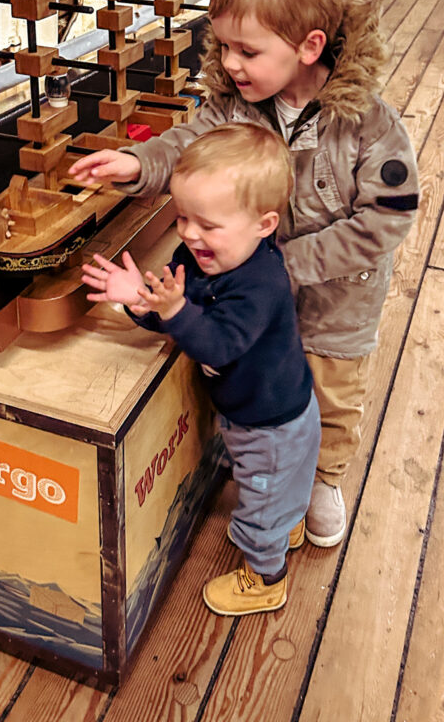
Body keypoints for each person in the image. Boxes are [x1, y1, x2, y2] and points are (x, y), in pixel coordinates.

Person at [71, 0, 419, 548]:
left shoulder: (369, 123)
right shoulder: (236, 105)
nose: (231, 63)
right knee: (264, 374)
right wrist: (137, 165)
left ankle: (324, 477)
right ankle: (260, 454)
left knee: (330, 390)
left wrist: (289, 264)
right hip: (249, 288)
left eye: (248, 50)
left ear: (309, 46)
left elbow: (385, 220)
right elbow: (188, 144)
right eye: (224, 45)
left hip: (336, 305)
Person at [82, 124, 320, 616]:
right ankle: (286, 522)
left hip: (271, 423)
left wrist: (170, 311)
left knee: (260, 495)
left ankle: (266, 574)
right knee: (277, 488)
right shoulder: (197, 256)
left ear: (264, 224)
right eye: (183, 216)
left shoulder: (262, 283)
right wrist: (140, 301)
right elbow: (178, 307)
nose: (190, 234)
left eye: (208, 225)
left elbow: (216, 343)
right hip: (261, 410)